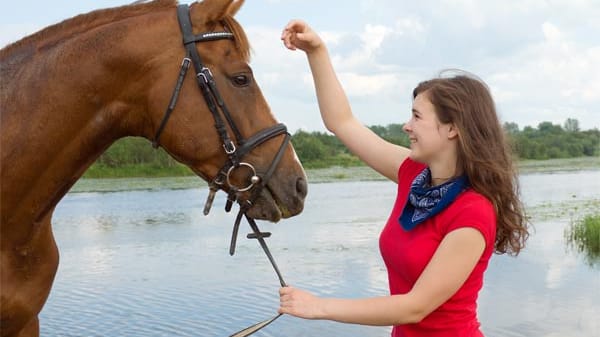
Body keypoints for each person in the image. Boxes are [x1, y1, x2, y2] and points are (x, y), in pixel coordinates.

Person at [278, 20, 529, 337]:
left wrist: (319, 306)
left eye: (417, 116)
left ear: (453, 129)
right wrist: (317, 51)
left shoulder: (473, 212)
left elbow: (415, 306)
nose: (407, 126)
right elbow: (342, 122)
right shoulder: (414, 174)